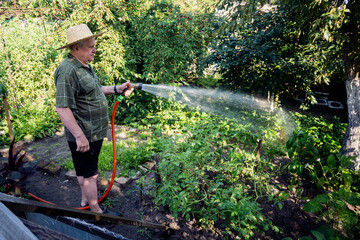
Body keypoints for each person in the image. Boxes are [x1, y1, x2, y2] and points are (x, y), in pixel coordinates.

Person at [54, 24, 133, 213]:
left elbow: (96, 90)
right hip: (85, 134)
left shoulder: (84, 66)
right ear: (76, 48)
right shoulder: (67, 71)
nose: (95, 50)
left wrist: (117, 89)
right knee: (91, 175)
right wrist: (80, 137)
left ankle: (85, 202)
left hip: (93, 132)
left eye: (94, 45)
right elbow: (62, 108)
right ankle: (95, 211)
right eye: (91, 47)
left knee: (84, 171)